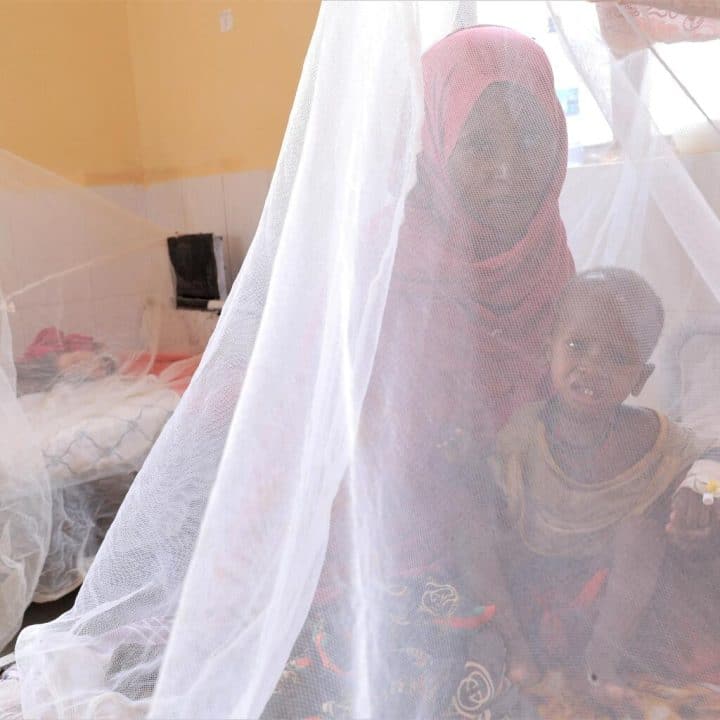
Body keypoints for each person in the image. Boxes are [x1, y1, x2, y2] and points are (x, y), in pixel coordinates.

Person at [483, 267, 720, 714]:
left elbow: (712, 452)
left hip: (615, 610)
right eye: (577, 346)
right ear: (547, 348)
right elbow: (497, 514)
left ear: (640, 378)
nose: (592, 366)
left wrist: (702, 487)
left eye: (617, 357)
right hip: (535, 589)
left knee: (640, 533)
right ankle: (517, 649)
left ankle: (602, 663)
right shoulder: (522, 432)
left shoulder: (654, 440)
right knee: (471, 528)